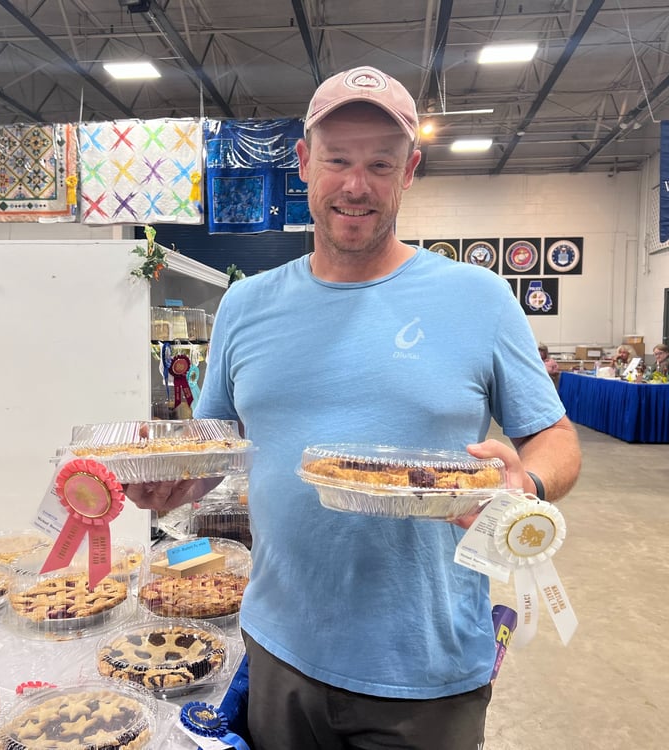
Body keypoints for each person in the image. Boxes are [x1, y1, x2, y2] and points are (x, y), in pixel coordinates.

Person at [126, 67, 581, 750]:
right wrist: (170, 483)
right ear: (305, 163)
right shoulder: (246, 308)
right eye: (337, 160)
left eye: (379, 163)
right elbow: (213, 445)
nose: (355, 185)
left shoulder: (478, 299)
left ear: (410, 171)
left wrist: (527, 486)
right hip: (281, 650)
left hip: (427, 667)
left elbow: (557, 439)